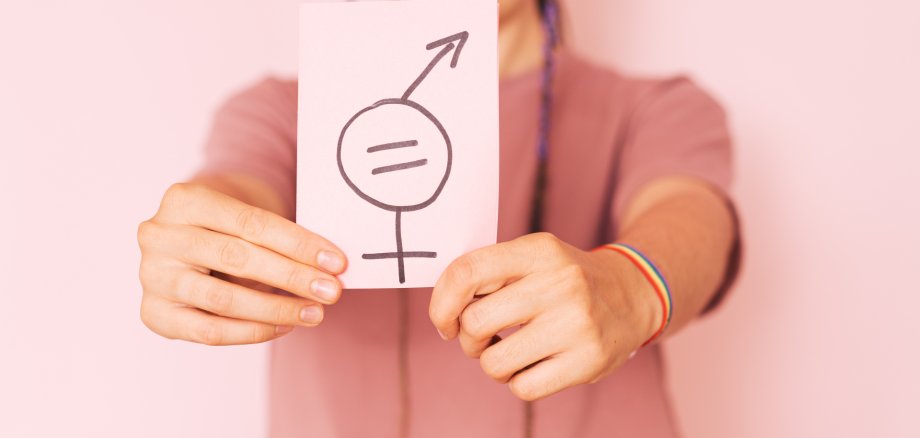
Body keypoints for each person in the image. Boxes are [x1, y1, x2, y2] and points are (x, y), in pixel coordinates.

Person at [136, 0, 740, 436]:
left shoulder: (654, 107)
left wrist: (631, 286)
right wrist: (206, 246)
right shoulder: (279, 110)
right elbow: (240, 185)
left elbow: (692, 217)